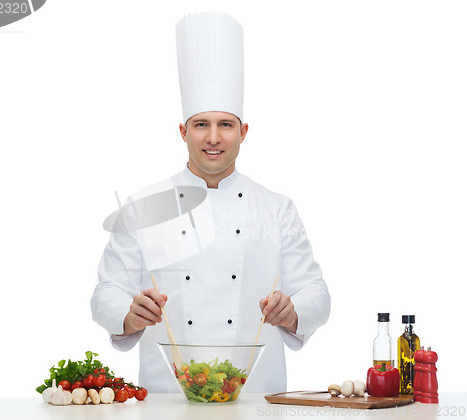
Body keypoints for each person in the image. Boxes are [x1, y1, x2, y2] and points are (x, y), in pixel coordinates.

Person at [91, 12, 330, 393]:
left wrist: (294, 310)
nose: (213, 138)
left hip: (256, 397)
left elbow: (317, 292)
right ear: (183, 131)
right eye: (201, 124)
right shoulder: (144, 206)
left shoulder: (277, 208)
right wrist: (128, 314)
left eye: (226, 125)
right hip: (168, 398)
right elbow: (106, 292)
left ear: (244, 132)